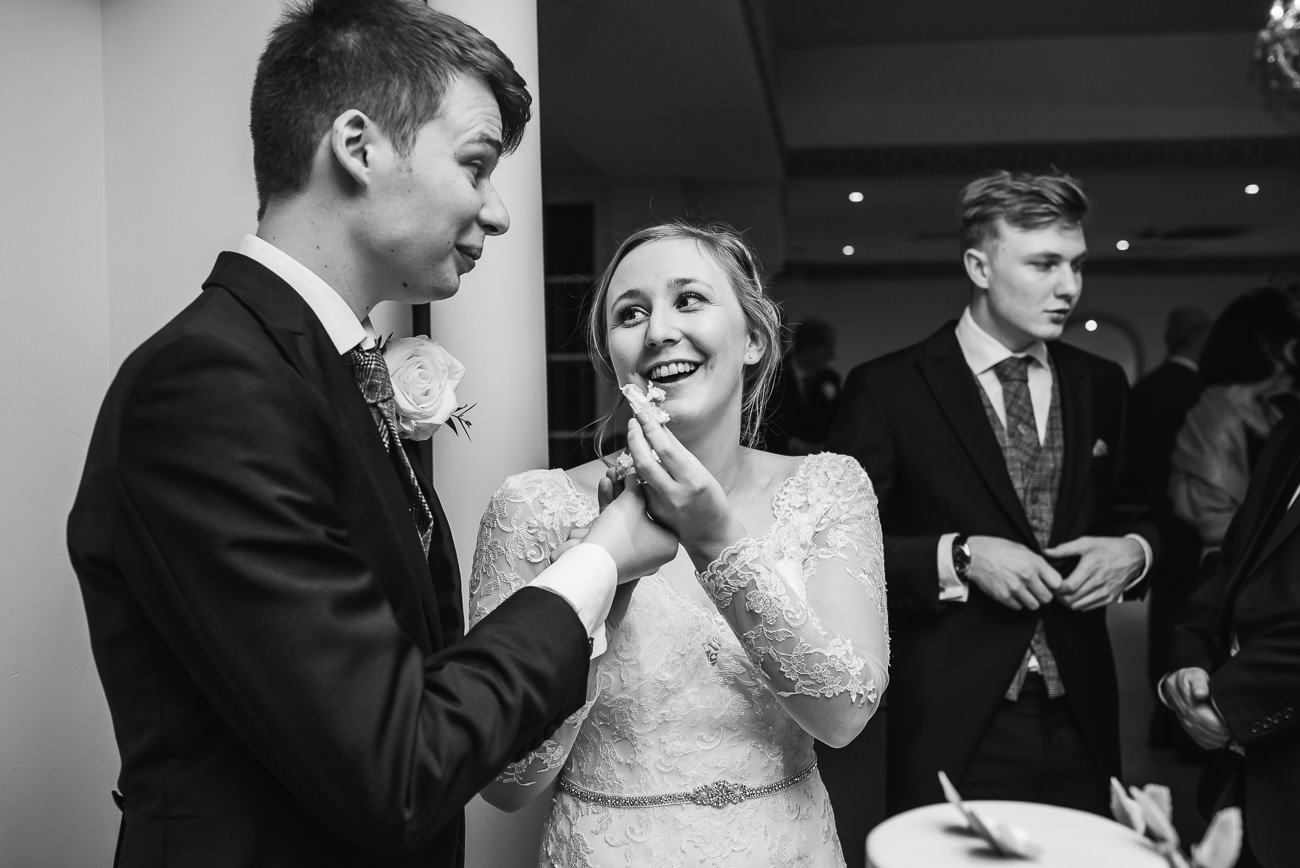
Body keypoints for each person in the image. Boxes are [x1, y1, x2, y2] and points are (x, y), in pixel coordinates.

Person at [65, 2, 673, 866]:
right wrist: (602, 558)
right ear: (358, 147)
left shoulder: (311, 368)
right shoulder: (208, 385)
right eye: (476, 166)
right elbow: (396, 766)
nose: (498, 213)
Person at [469, 221, 889, 866]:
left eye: (689, 299)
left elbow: (843, 717)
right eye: (630, 312)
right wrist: (606, 576)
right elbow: (506, 781)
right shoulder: (534, 508)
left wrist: (714, 537)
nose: (659, 330)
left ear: (753, 338)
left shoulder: (829, 488)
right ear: (612, 355)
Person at [828, 170, 1158, 815]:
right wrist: (959, 557)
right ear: (979, 266)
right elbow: (836, 552)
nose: (1069, 287)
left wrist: (1136, 550)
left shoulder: (1102, 383)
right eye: (1043, 264)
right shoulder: (888, 389)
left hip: (1083, 707)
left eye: (1076, 265)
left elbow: (1140, 509)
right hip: (953, 709)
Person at [1161, 406, 1300, 868]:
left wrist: (1228, 704)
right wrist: (1190, 661)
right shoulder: (1289, 430)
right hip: (1250, 785)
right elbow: (1235, 560)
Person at [1127, 307, 1210, 750]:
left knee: (1165, 622)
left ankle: (1163, 718)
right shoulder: (1202, 394)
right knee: (1192, 623)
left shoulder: (1145, 389)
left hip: (1155, 525)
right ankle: (1182, 726)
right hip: (1192, 527)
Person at [1169, 287, 1300, 555]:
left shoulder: (1272, 409)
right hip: (1235, 572)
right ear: (1270, 346)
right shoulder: (1215, 413)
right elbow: (1210, 516)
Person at [767, 319, 843, 455]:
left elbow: (838, 419)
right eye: (827, 348)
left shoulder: (830, 378)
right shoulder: (773, 375)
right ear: (810, 347)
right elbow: (768, 422)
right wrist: (790, 444)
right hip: (781, 456)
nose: (831, 355)